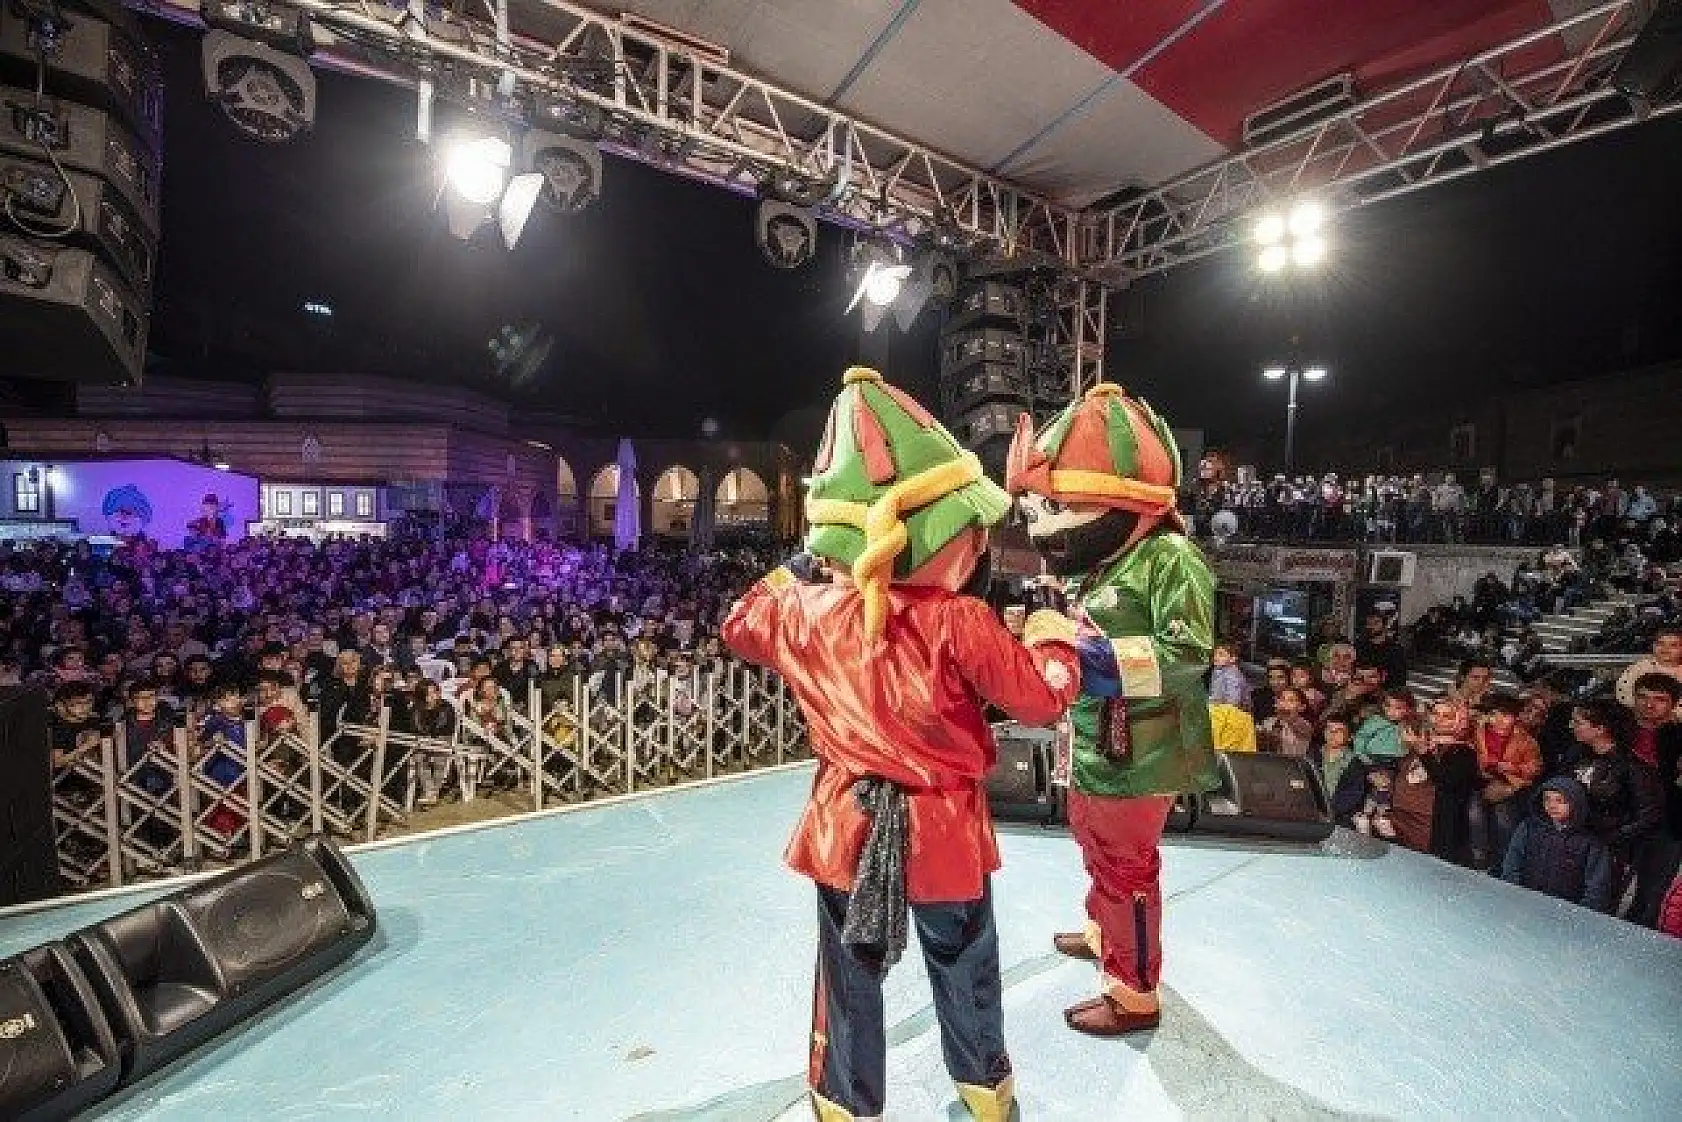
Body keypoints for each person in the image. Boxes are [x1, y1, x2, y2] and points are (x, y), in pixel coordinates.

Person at [721, 368, 1080, 1122]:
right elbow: (1043, 700)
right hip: (943, 832)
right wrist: (1054, 639)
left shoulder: (807, 613)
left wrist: (806, 564)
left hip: (844, 827)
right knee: (965, 966)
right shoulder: (962, 621)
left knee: (847, 979)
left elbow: (740, 619)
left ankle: (845, 1106)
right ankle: (986, 1093)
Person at [1006, 382, 1218, 1037]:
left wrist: (1085, 653)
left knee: (1128, 865)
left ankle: (1134, 992)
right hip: (1097, 735)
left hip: (1144, 743)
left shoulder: (1171, 558)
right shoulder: (1101, 564)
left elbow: (1189, 652)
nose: (1045, 525)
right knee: (1092, 842)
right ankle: (1106, 934)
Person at [1388, 700, 1480, 865]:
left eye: (1447, 716)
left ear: (1460, 721)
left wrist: (1423, 751)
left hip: (1431, 827)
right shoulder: (1424, 741)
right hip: (1401, 817)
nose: (1439, 719)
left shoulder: (1465, 752)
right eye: (1436, 714)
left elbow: (1446, 781)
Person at [1500, 777, 1613, 912]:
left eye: (1560, 800)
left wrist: (1581, 914)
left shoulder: (1591, 841)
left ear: (1576, 803)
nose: (1552, 805)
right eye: (1547, 799)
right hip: (1525, 904)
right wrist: (1514, 894)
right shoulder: (1529, 827)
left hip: (1565, 912)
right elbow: (1512, 862)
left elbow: (1597, 886)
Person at [1627, 674, 1682, 927]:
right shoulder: (1616, 727)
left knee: (1652, 893)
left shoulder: (1678, 736)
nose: (1650, 705)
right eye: (1643, 697)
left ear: (1674, 704)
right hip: (1620, 816)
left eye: (1660, 700)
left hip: (1666, 823)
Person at [1470, 692, 1542, 870]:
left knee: (1504, 819)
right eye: (1495, 714)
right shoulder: (1477, 731)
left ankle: (1506, 861)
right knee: (1474, 813)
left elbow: (1535, 767)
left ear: (1515, 717)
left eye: (1506, 715)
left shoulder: (1525, 740)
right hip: (1480, 781)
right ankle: (1479, 856)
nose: (1499, 720)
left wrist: (1511, 768)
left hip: (1509, 785)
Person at [1615, 626, 1682, 711]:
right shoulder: (1639, 668)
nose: (1665, 649)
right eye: (1660, 644)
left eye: (1673, 645)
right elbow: (1623, 692)